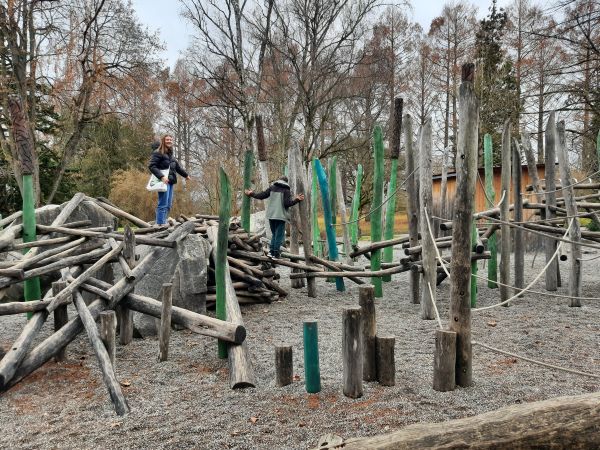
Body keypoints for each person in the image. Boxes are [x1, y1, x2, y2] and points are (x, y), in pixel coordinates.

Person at [244, 176, 304, 258]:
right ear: (286, 182)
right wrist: (297, 199)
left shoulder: (272, 188)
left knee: (274, 234)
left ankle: (271, 252)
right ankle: (275, 253)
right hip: (280, 216)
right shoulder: (286, 190)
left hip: (271, 215)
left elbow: (262, 195)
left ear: (278, 180)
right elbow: (287, 203)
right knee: (279, 236)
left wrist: (251, 193)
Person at [148, 134, 191, 225]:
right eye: (167, 139)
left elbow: (178, 168)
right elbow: (152, 166)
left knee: (168, 205)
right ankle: (160, 224)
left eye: (170, 140)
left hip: (170, 182)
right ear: (163, 141)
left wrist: (186, 175)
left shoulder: (170, 155)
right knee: (163, 204)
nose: (169, 141)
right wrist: (162, 177)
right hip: (163, 182)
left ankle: (163, 222)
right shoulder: (158, 152)